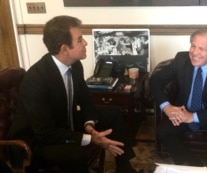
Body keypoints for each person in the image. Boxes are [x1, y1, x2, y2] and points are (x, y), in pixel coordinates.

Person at [8, 15, 141, 173]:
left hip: (64, 123)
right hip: (36, 141)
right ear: (64, 49)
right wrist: (92, 139)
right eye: (80, 40)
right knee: (75, 153)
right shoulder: (36, 79)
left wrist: (89, 125)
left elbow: (86, 99)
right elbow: (45, 133)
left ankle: (125, 168)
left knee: (113, 112)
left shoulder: (75, 65)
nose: (85, 43)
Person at [149, 29, 207, 168]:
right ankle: (192, 164)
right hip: (184, 110)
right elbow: (155, 80)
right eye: (193, 46)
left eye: (201, 48)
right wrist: (166, 107)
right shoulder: (181, 60)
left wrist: (194, 117)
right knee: (163, 130)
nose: (194, 52)